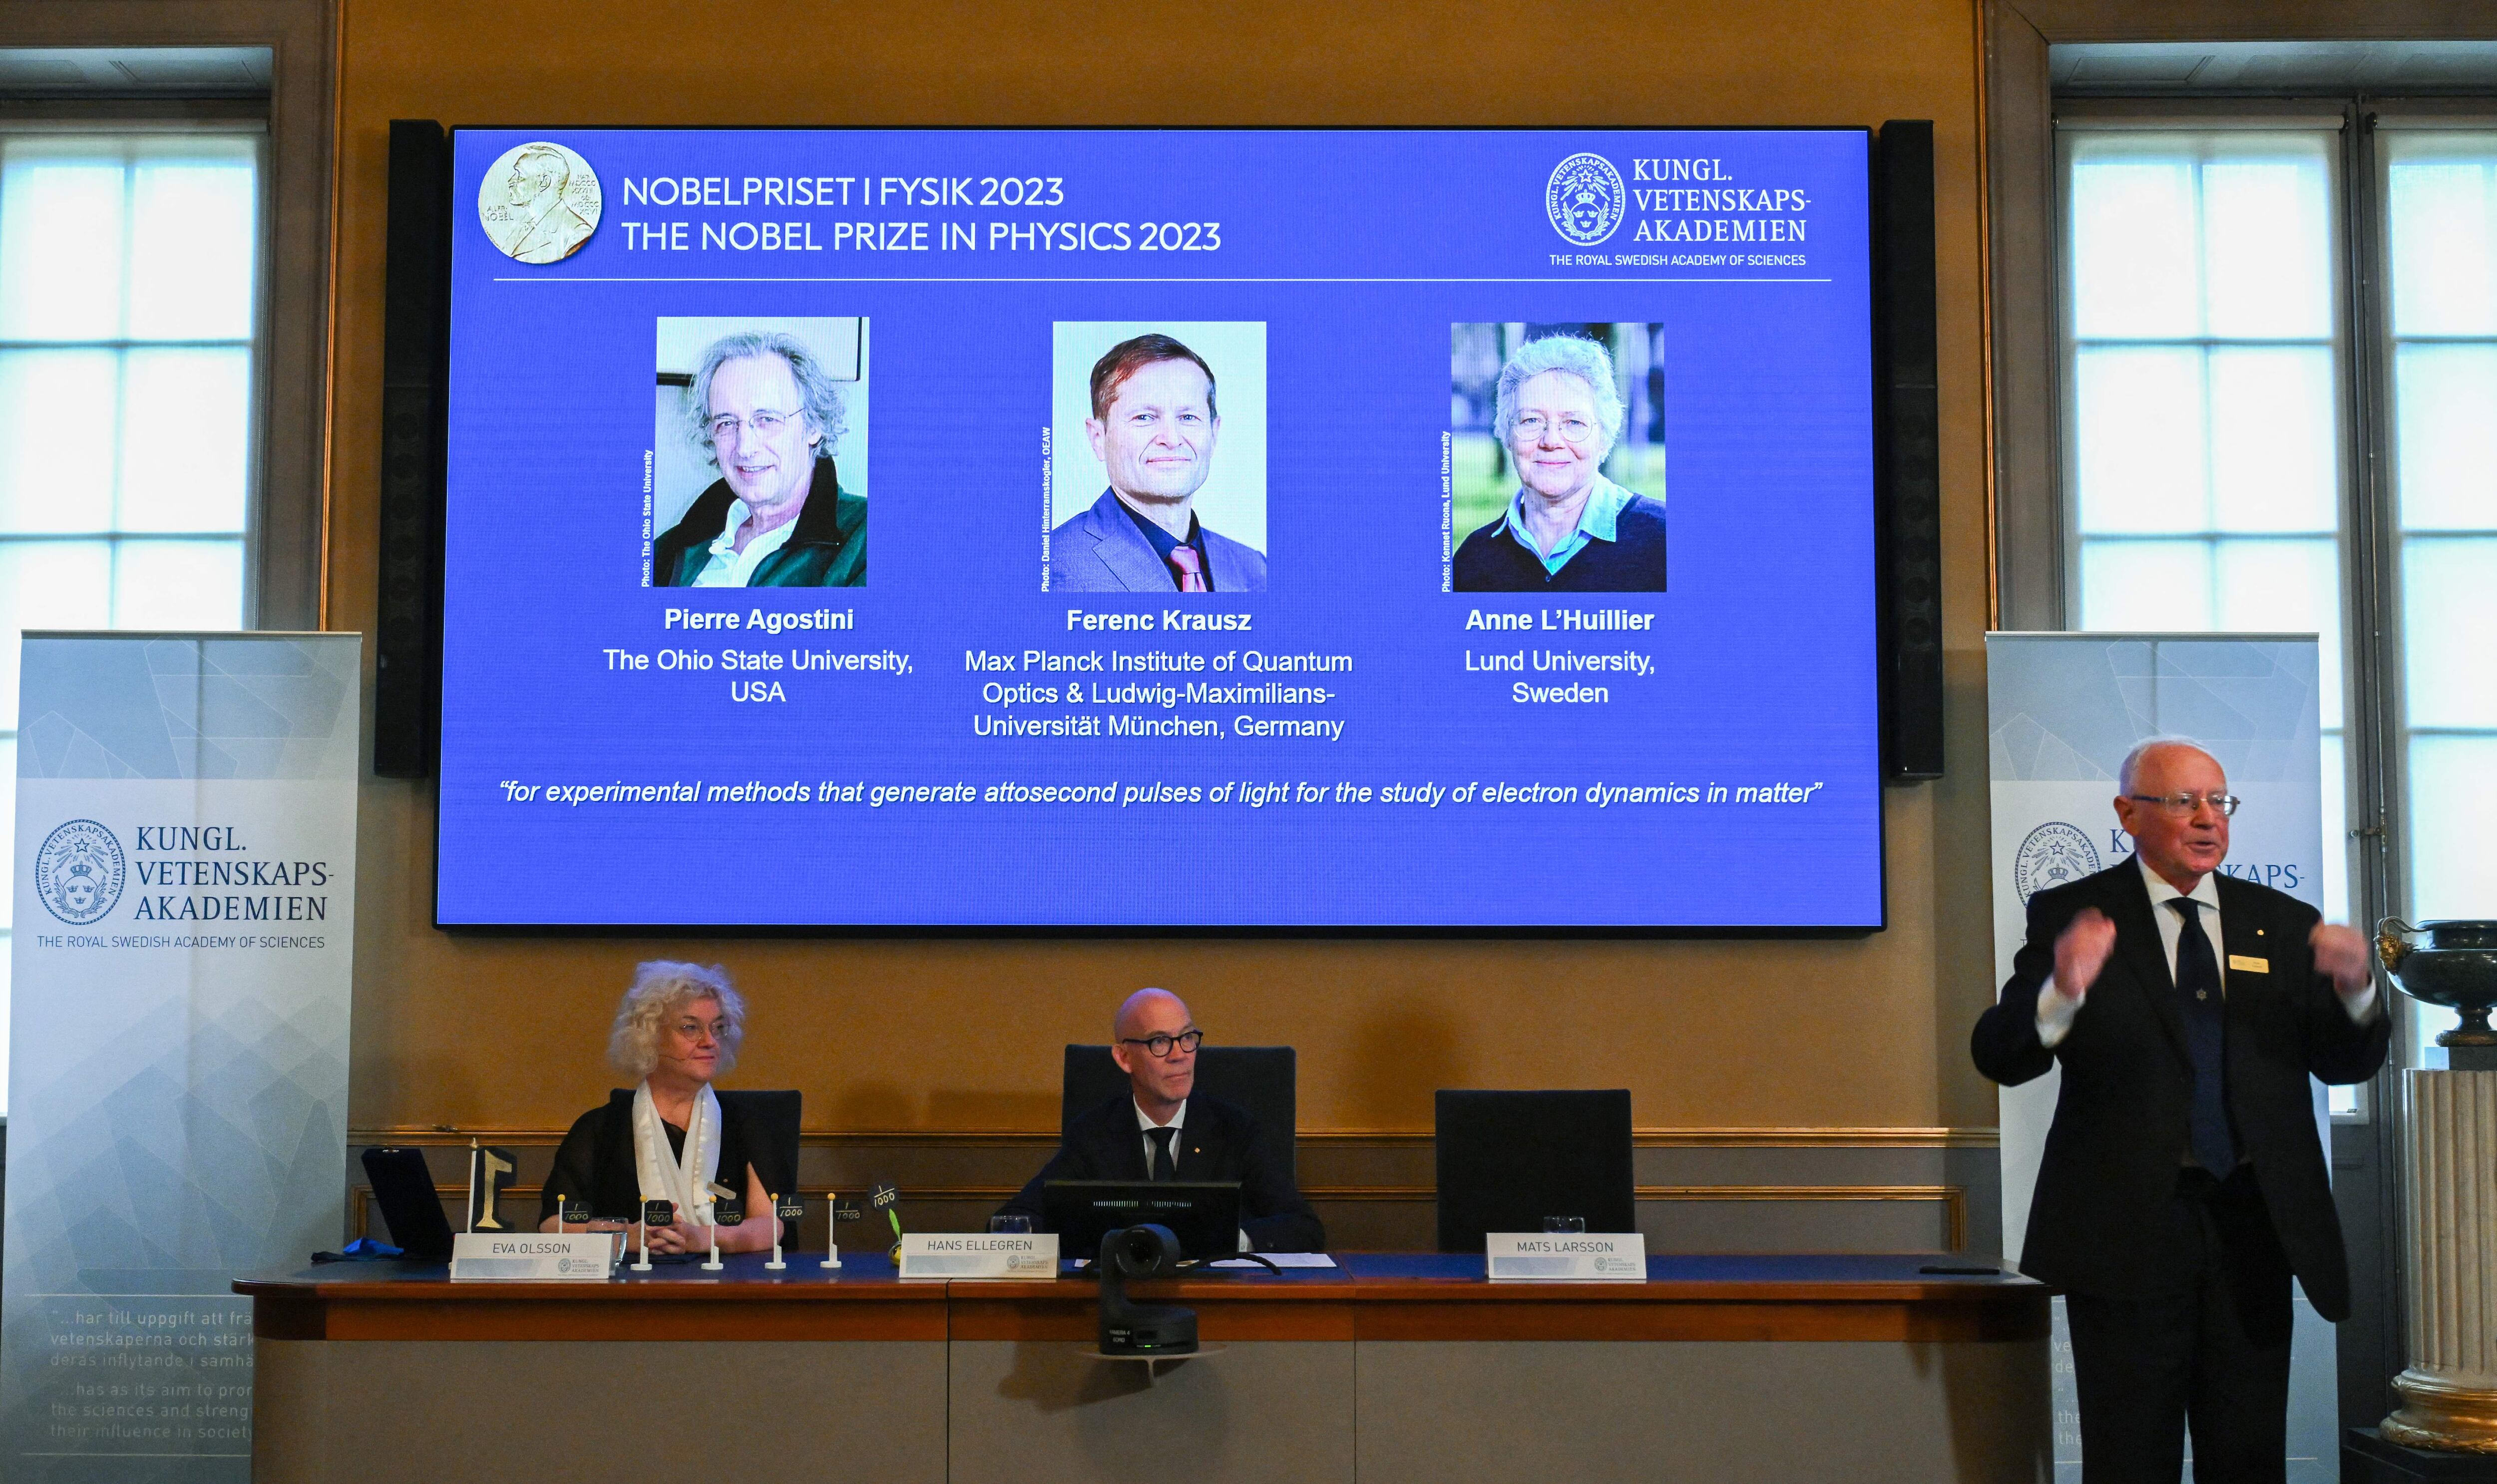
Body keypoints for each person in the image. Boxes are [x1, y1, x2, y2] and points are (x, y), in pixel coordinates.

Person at [1972, 738, 2387, 1483]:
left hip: (2255, 1227)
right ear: (2128, 813)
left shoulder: (2283, 921)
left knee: (2248, 1454)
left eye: (2219, 802)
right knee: (2130, 1455)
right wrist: (2062, 992)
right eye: (2184, 801)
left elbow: (2344, 1061)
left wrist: (2355, 991)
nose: (2208, 819)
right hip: (2128, 1230)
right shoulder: (2074, 914)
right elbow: (2001, 1055)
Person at [996, 987, 1323, 1251]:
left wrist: (1230, 1240)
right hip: (1119, 1295)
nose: (1180, 1055)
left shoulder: (1234, 1130)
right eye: (1160, 1042)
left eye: (1187, 1038)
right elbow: (1014, 1220)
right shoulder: (1095, 1133)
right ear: (1124, 1058)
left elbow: (1303, 1227)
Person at [540, 961, 789, 1254]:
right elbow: (552, 1225)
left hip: (725, 1285)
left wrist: (700, 1238)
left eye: (718, 1028)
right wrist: (624, 1236)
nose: (710, 1041)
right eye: (691, 1028)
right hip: (627, 1290)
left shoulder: (745, 1122)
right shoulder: (600, 1127)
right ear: (649, 1036)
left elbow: (771, 1225)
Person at [1049, 334, 1267, 592]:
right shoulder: (1053, 569)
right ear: (1098, 438)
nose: (1171, 439)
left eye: (1188, 417)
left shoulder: (1256, 570)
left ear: (1214, 433)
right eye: (1144, 417)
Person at [1452, 334, 1667, 592]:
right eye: (1531, 420)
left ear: (1604, 437)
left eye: (1574, 423)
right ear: (1506, 434)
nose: (1552, 441)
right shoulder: (1472, 561)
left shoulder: (1666, 541)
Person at [654, 331, 866, 587]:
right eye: (726, 422)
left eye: (767, 419)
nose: (745, 447)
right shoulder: (671, 549)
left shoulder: (863, 541)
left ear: (813, 426)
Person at [491, 144, 596, 265]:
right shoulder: (522, 224)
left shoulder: (577, 234)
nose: (511, 181)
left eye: (520, 175)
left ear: (544, 182)